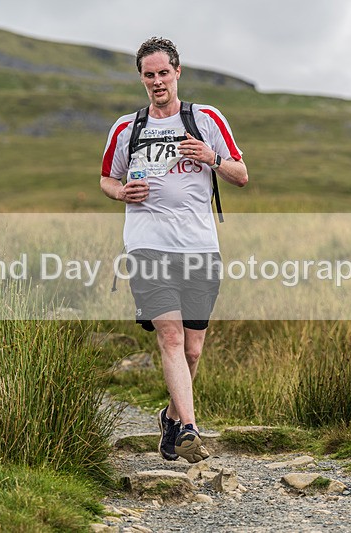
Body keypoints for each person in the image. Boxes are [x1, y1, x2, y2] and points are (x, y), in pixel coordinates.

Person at [100, 37, 248, 463]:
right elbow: (107, 179)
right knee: (170, 336)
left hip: (200, 246)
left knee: (193, 349)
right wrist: (122, 192)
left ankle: (171, 417)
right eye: (149, 75)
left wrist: (210, 158)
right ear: (141, 78)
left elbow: (241, 175)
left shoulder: (206, 118)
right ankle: (189, 427)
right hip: (147, 245)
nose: (157, 81)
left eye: (164, 73)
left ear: (177, 72)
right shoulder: (127, 128)